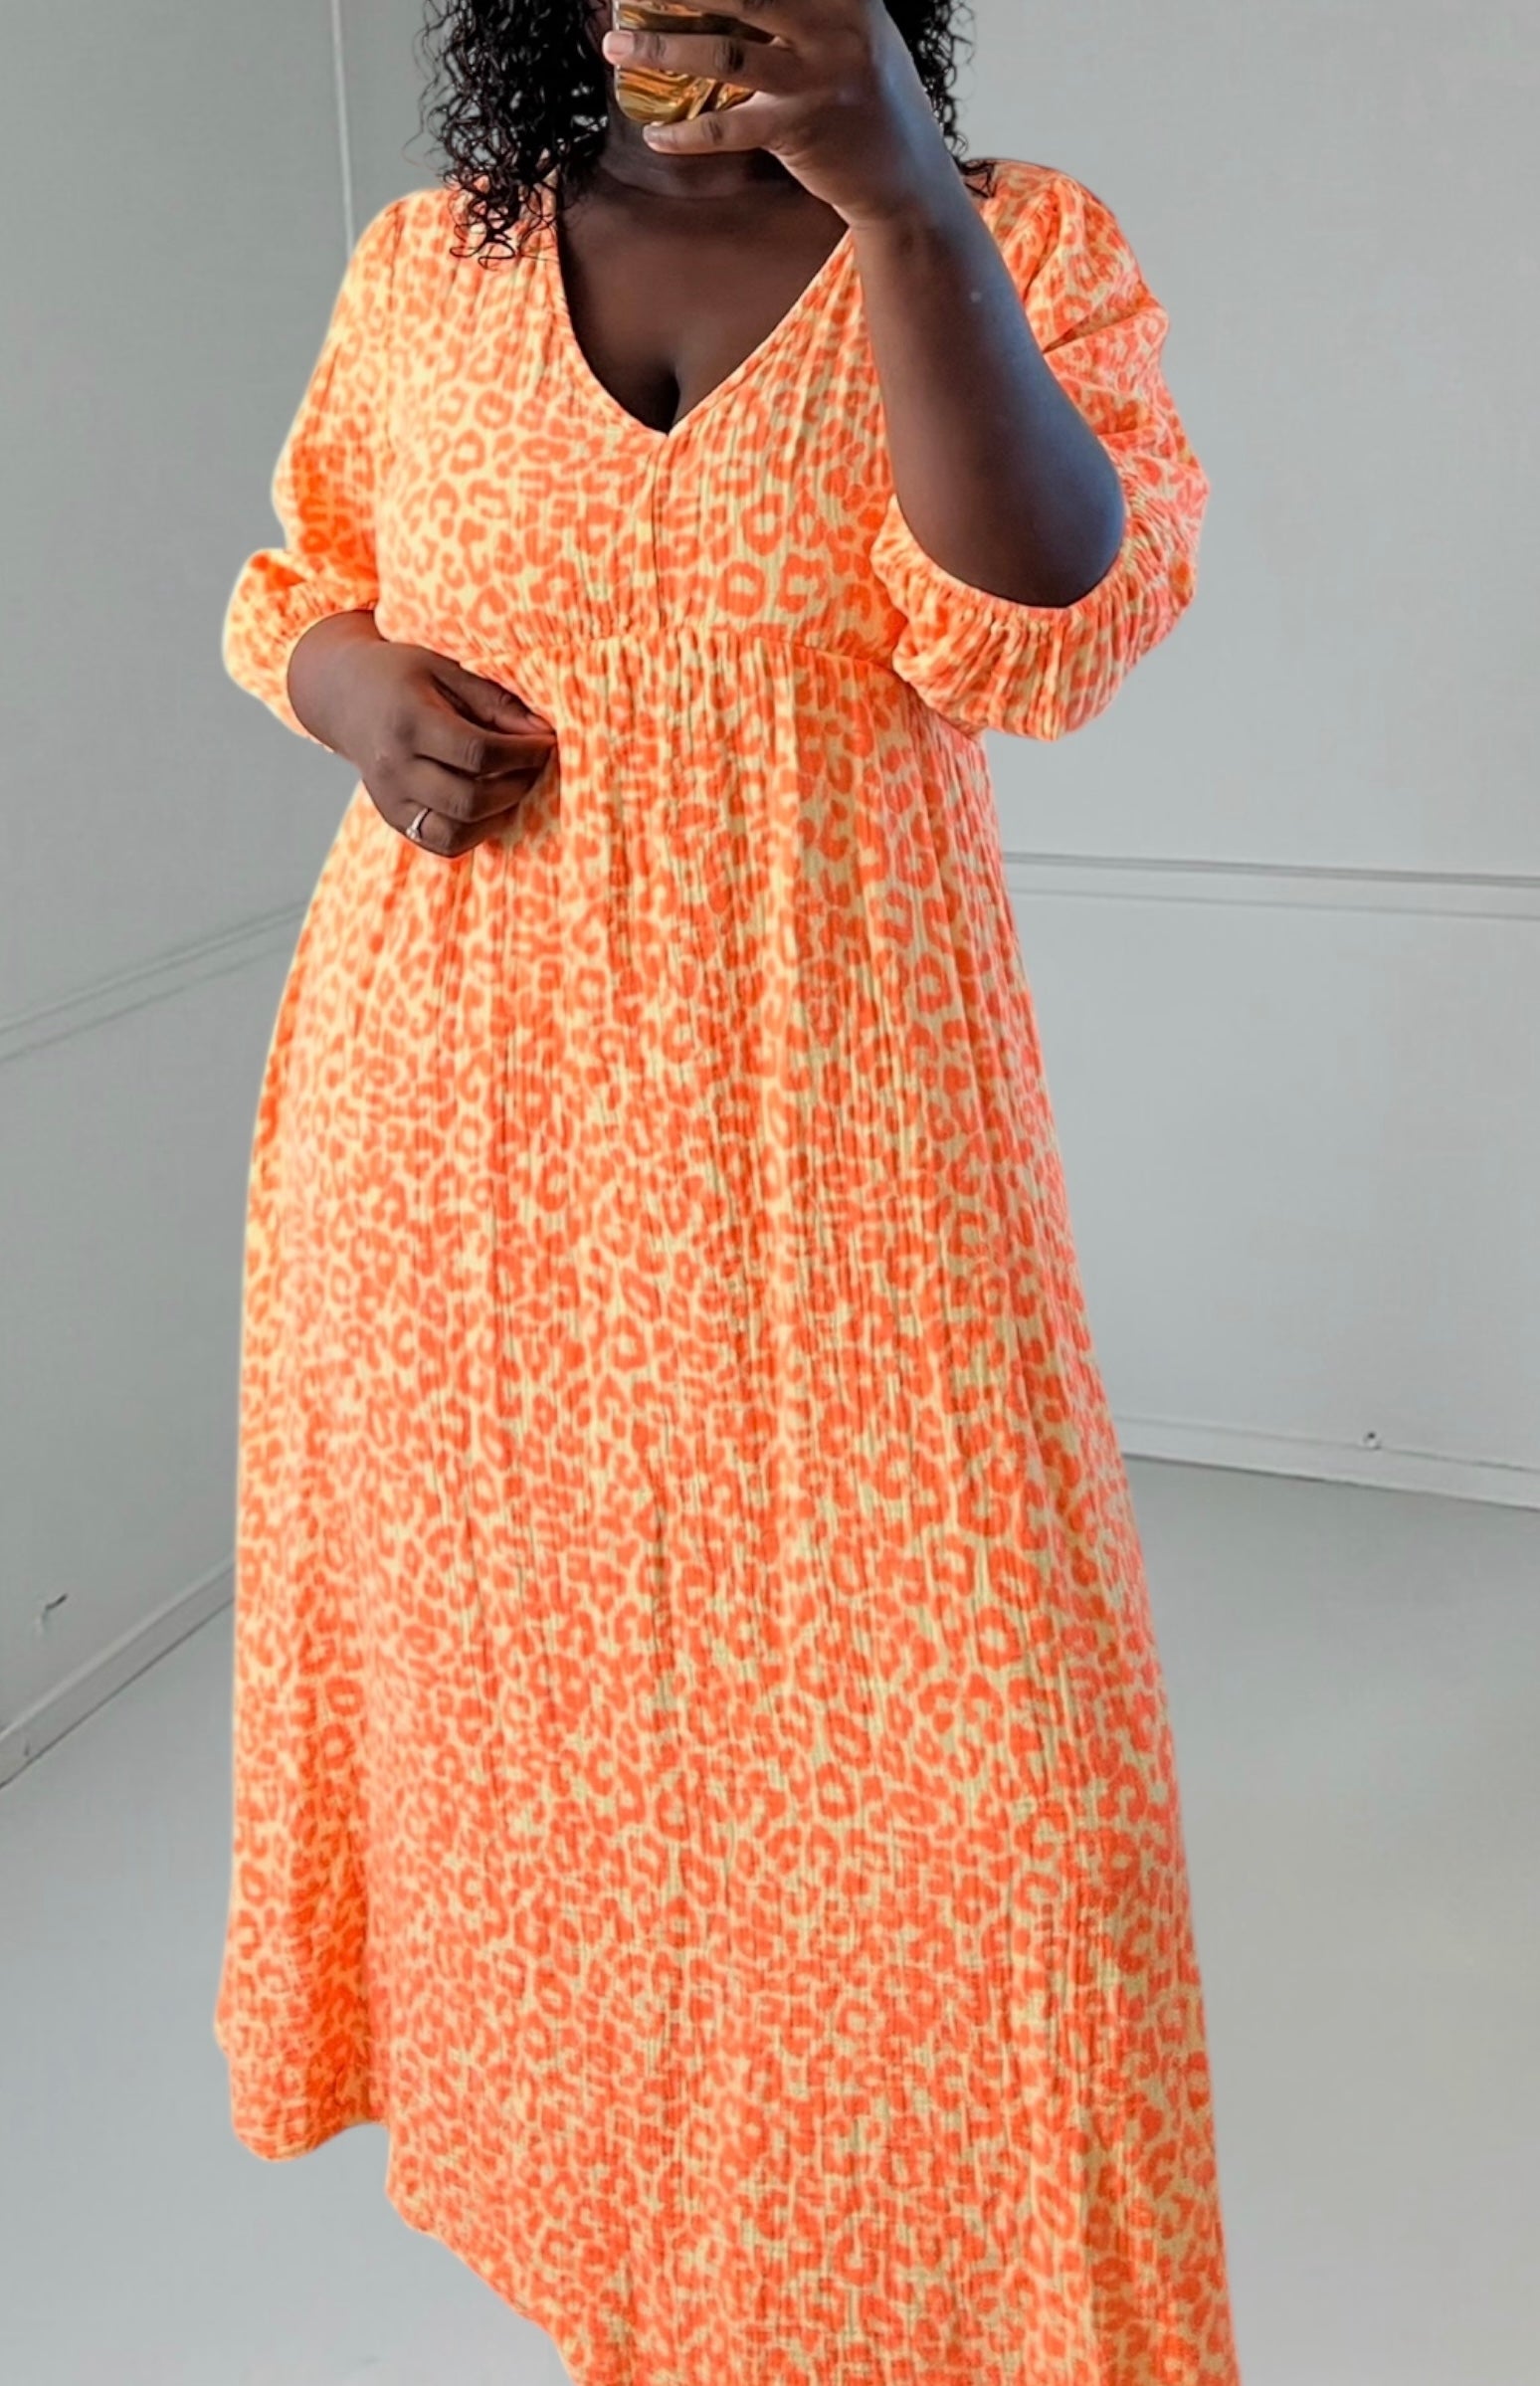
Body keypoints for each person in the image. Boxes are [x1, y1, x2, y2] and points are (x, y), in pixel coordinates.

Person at [215, 1, 1241, 2379]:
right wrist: (354, 689)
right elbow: (305, 576)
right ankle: (646, 2279)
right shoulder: (432, 265)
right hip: (462, 1160)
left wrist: (899, 200)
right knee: (553, 1789)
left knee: (1013, 1830)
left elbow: (1042, 630)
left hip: (846, 1163)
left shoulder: (1012, 243)